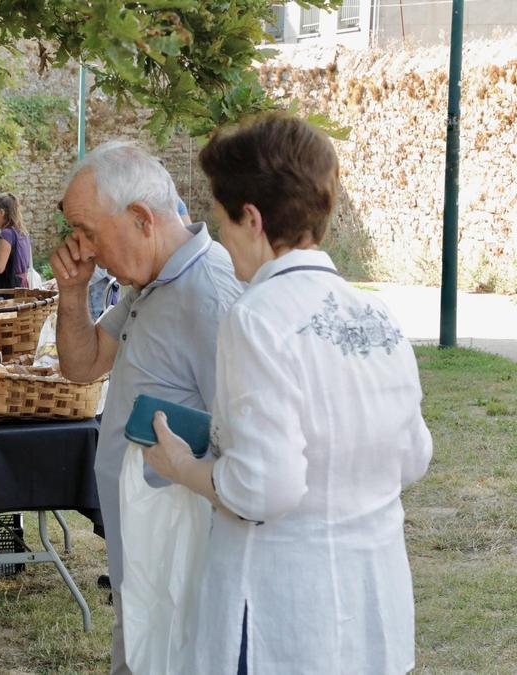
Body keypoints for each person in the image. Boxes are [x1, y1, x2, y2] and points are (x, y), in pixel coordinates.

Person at [144, 113, 432, 674]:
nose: (222, 239)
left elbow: (263, 487)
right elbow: (413, 455)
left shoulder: (256, 318)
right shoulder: (379, 313)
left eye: (223, 222)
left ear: (251, 219)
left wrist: (182, 465)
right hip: (374, 599)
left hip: (285, 614)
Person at [50, 140, 243, 674]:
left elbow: (245, 437)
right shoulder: (150, 283)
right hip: (142, 534)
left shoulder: (210, 291)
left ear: (140, 218)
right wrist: (72, 294)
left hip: (180, 544)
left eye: (89, 232)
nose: (82, 249)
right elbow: (83, 366)